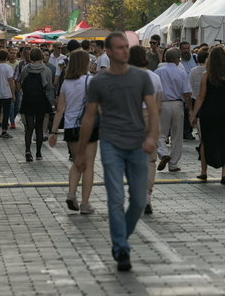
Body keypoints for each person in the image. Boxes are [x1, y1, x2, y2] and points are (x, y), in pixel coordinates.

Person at [74, 32, 158, 272]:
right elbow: (89, 117)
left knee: (139, 201)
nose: (125, 51)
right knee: (115, 199)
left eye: (126, 47)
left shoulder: (141, 78)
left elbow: (153, 110)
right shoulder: (99, 82)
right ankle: (121, 248)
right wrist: (81, 153)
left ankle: (121, 237)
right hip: (111, 144)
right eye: (120, 48)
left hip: (138, 144)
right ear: (108, 52)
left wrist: (152, 136)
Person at [49, 50, 98, 214]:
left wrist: (53, 132)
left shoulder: (66, 83)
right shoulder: (91, 81)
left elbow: (59, 110)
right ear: (85, 63)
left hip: (70, 127)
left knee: (78, 162)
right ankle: (85, 203)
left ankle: (71, 193)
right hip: (88, 127)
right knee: (89, 165)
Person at [190, 46, 225, 184]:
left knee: (206, 141)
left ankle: (204, 172)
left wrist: (193, 114)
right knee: (224, 141)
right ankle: (224, 175)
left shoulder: (206, 75)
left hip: (209, 111)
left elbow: (201, 96)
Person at [127, 45, 163, 214]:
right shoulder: (155, 77)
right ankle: (147, 195)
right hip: (150, 116)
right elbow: (158, 104)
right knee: (150, 160)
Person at [155, 47, 191, 173]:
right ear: (177, 59)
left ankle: (163, 152)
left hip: (163, 104)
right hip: (177, 104)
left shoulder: (158, 72)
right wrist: (188, 106)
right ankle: (173, 164)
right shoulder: (181, 72)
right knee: (177, 135)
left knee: (160, 133)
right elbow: (187, 91)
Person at [18, 47, 53, 161]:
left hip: (28, 100)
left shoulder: (25, 69)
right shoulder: (46, 70)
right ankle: (38, 152)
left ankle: (28, 151)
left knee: (29, 127)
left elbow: (22, 83)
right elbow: (49, 86)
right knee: (39, 127)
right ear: (42, 56)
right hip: (40, 100)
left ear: (31, 57)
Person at [0, 49, 14, 139]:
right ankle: (4, 131)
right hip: (6, 93)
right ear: (6, 57)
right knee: (5, 112)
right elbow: (11, 81)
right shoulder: (8, 68)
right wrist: (13, 94)